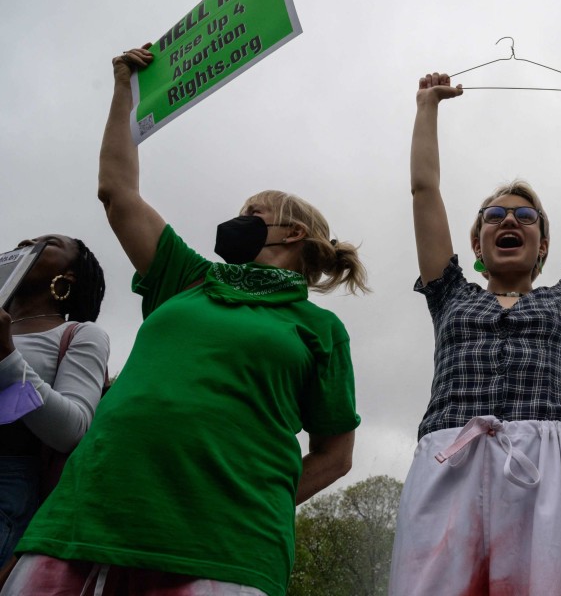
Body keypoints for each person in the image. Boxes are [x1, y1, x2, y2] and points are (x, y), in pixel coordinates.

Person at [4, 45, 365, 596]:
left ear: (293, 233)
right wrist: (124, 88)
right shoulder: (188, 279)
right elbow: (117, 192)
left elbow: (336, 455)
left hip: (223, 549)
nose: (237, 221)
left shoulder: (320, 330)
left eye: (254, 215)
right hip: (82, 523)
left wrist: (251, 500)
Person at [390, 71, 561, 595]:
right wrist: (427, 106)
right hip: (451, 463)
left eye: (526, 216)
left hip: (549, 471)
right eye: (494, 215)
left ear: (542, 245)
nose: (509, 220)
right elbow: (424, 190)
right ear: (477, 241)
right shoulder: (449, 293)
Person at [0, 235, 108, 567]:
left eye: (49, 243)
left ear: (69, 276)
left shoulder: (78, 334)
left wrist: (7, 356)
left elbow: (70, 430)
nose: (27, 241)